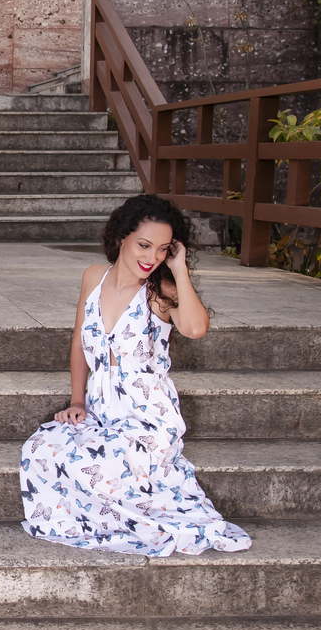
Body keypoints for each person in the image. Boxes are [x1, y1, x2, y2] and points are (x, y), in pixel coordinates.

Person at [20, 194, 251, 556]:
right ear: (122, 237)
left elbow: (194, 328)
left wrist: (179, 269)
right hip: (100, 408)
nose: (151, 257)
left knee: (99, 466)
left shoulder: (160, 292)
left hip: (146, 416)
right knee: (41, 448)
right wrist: (77, 400)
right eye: (144, 245)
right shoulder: (94, 278)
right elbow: (80, 344)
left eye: (162, 249)